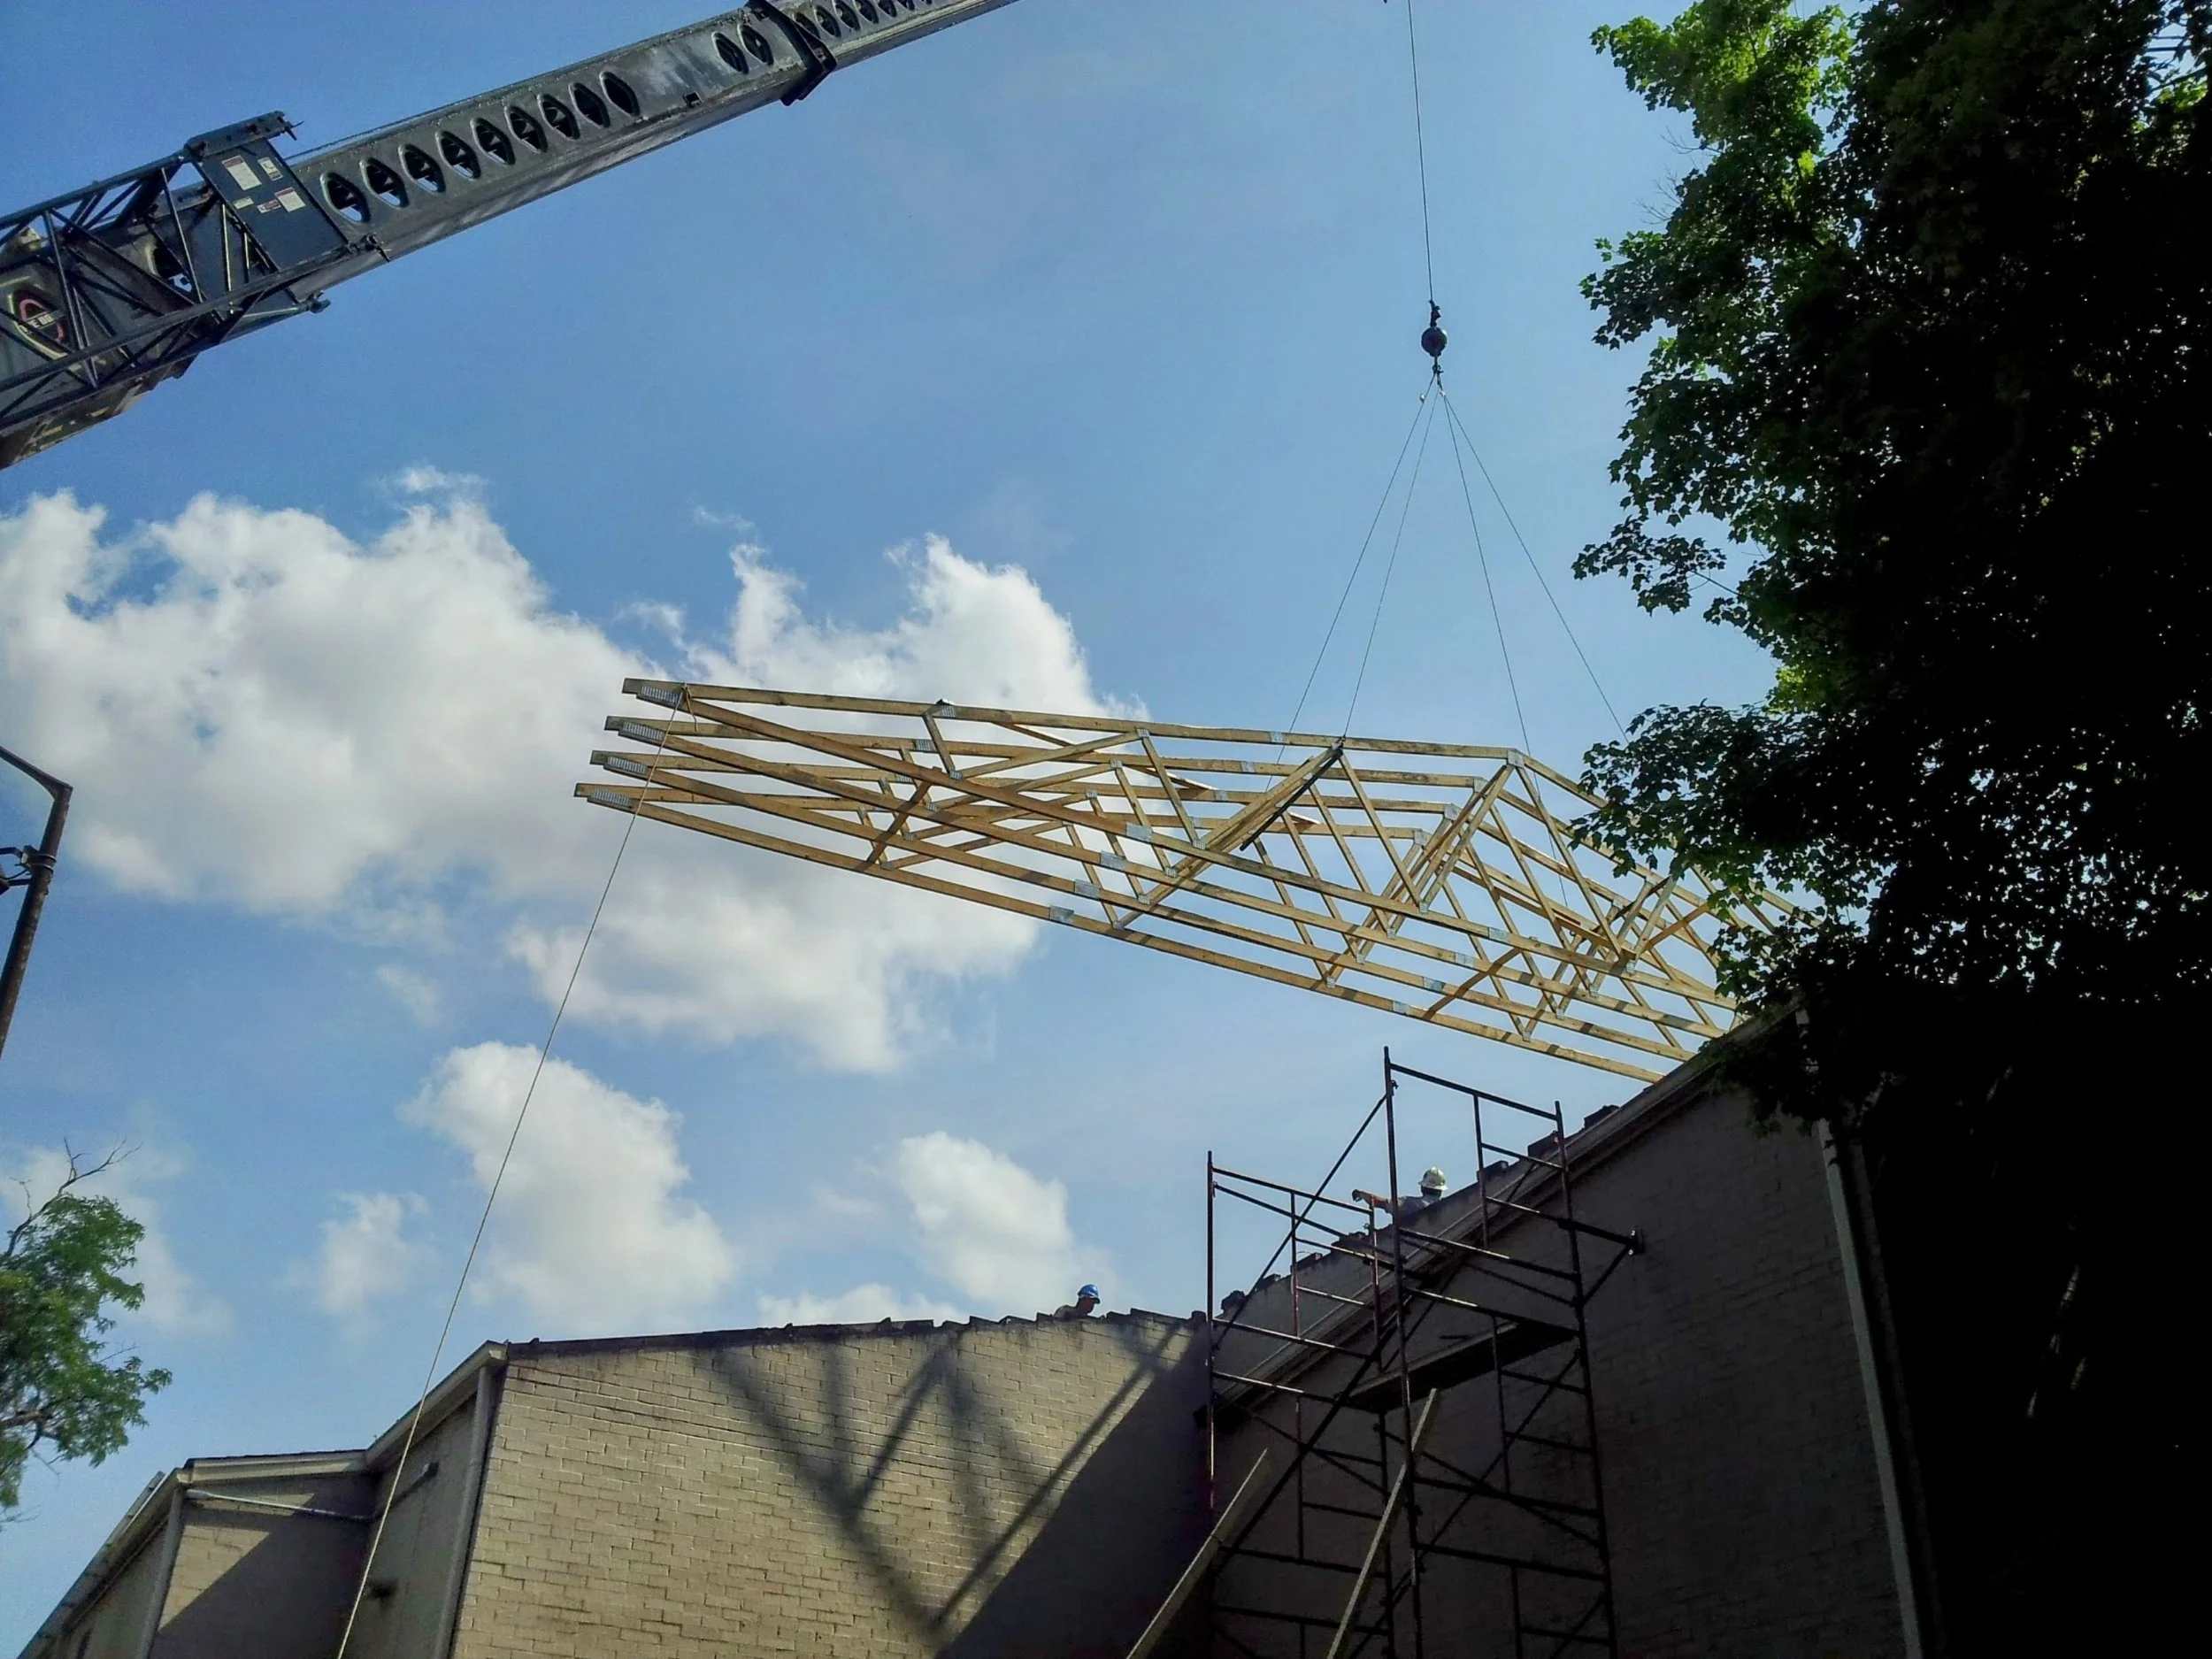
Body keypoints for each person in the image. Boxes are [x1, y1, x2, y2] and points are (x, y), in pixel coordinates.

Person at [1351, 1167, 1448, 1226]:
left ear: (1423, 1188)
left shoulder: (1411, 1203)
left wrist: (1363, 1195)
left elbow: (1384, 1204)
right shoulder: (1446, 1210)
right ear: (1440, 1191)